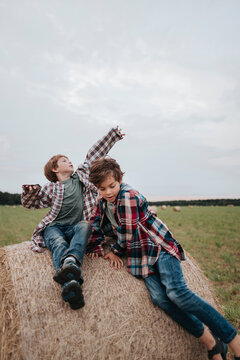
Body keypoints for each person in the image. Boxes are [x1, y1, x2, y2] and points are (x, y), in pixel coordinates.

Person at [86, 157, 240, 360]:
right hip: (139, 256)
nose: (107, 192)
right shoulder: (103, 200)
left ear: (121, 178)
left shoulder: (128, 196)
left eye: (111, 186)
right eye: (102, 188)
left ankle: (233, 339)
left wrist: (114, 250)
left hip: (158, 247)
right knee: (159, 298)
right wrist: (96, 247)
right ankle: (211, 344)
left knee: (177, 292)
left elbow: (127, 232)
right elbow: (95, 222)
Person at [21, 127, 124, 310]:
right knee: (58, 243)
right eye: (64, 161)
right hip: (55, 226)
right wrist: (31, 192)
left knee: (85, 226)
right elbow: (31, 203)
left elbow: (94, 153)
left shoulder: (80, 178)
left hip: (76, 226)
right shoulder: (51, 188)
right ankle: (70, 280)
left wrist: (113, 136)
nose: (70, 162)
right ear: (55, 169)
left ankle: (70, 265)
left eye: (69, 160)